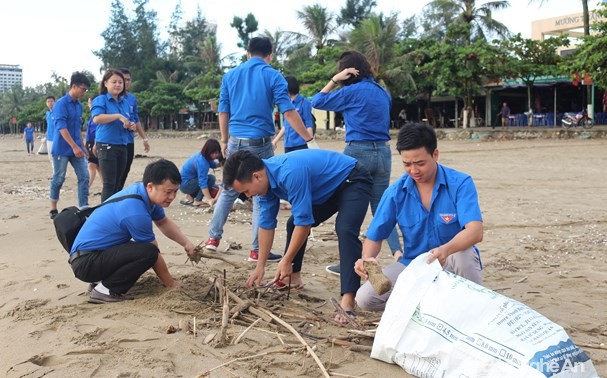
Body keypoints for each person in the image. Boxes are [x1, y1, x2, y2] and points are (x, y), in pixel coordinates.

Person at [224, 150, 372, 323]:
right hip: (325, 190)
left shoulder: (290, 173)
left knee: (345, 229)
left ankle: (348, 299)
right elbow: (266, 224)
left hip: (352, 179)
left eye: (247, 191)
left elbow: (305, 223)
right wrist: (260, 266)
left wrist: (286, 260)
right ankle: (293, 279)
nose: (248, 196)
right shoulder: (264, 186)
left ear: (256, 177)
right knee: (292, 223)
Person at [203, 36, 315, 262]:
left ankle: (212, 239)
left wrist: (224, 140)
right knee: (262, 193)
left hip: (235, 139)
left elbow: (223, 112)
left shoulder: (230, 75)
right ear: (270, 55)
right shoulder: (273, 75)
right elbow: (288, 111)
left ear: (247, 54)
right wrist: (307, 136)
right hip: (260, 143)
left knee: (228, 190)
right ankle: (256, 251)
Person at [354, 123, 484, 311]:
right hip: (414, 265)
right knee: (366, 298)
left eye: (420, 163)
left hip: (451, 261)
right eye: (407, 164)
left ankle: (472, 310)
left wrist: (445, 250)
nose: (414, 170)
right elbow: (375, 236)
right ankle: (429, 307)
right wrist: (367, 259)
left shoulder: (460, 183)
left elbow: (475, 231)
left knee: (463, 256)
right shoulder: (395, 193)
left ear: (435, 155)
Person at [311, 50, 402, 274]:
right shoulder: (383, 92)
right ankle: (399, 254)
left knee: (350, 209)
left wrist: (334, 80)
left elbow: (317, 101)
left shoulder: (352, 91)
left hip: (357, 151)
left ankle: (349, 264)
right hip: (383, 151)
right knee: (382, 208)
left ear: (348, 71)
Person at [69, 159, 197, 303]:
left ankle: (101, 283)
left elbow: (163, 223)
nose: (172, 197)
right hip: (86, 263)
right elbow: (153, 252)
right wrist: (171, 283)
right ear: (150, 186)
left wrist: (187, 244)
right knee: (148, 252)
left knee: (140, 249)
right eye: (168, 192)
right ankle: (105, 290)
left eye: (175, 192)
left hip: (93, 256)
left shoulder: (142, 193)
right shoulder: (136, 211)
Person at [49, 72, 91, 219]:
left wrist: (82, 145)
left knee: (84, 176)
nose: (84, 92)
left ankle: (83, 206)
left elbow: (76, 127)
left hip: (77, 148)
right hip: (62, 148)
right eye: (83, 89)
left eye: (86, 90)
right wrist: (74, 146)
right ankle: (53, 208)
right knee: (59, 178)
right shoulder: (60, 104)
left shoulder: (78, 105)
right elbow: (62, 128)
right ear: (74, 86)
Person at [92, 68, 136, 202]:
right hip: (106, 145)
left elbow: (129, 120)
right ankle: (104, 214)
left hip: (122, 145)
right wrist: (117, 116)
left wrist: (130, 126)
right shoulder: (101, 100)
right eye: (114, 82)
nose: (118, 85)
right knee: (109, 184)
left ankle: (114, 212)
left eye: (120, 82)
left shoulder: (125, 102)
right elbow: (97, 118)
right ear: (105, 83)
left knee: (119, 183)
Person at [117, 68, 150, 190]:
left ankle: (118, 196)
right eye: (122, 80)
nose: (125, 83)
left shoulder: (132, 99)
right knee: (113, 176)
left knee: (124, 171)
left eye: (128, 80)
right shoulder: (108, 98)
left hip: (129, 140)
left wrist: (144, 138)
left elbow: (136, 120)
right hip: (113, 141)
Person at [272, 76, 314, 153]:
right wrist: (275, 140)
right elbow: (286, 125)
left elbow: (309, 124)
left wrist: (311, 143)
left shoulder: (304, 102)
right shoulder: (287, 104)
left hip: (301, 144)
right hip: (288, 144)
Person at [179, 138, 222, 207]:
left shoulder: (204, 156)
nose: (216, 155)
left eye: (217, 153)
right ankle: (198, 201)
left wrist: (222, 163)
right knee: (211, 179)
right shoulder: (202, 162)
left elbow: (213, 164)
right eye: (215, 153)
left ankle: (190, 196)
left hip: (185, 182)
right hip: (185, 184)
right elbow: (203, 183)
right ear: (209, 152)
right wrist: (209, 199)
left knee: (214, 186)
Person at [85, 95, 102, 188]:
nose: (89, 104)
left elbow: (98, 130)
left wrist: (95, 143)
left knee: (92, 165)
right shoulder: (92, 115)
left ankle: (86, 187)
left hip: (95, 142)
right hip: (89, 142)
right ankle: (107, 189)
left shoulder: (98, 115)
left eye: (91, 102)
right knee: (98, 167)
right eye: (89, 103)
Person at [45, 96, 56, 169]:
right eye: (48, 102)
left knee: (57, 157)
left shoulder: (57, 112)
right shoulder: (47, 113)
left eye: (51, 101)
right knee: (51, 158)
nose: (50, 103)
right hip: (49, 138)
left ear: (55, 102)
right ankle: (55, 173)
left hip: (56, 138)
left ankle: (60, 174)